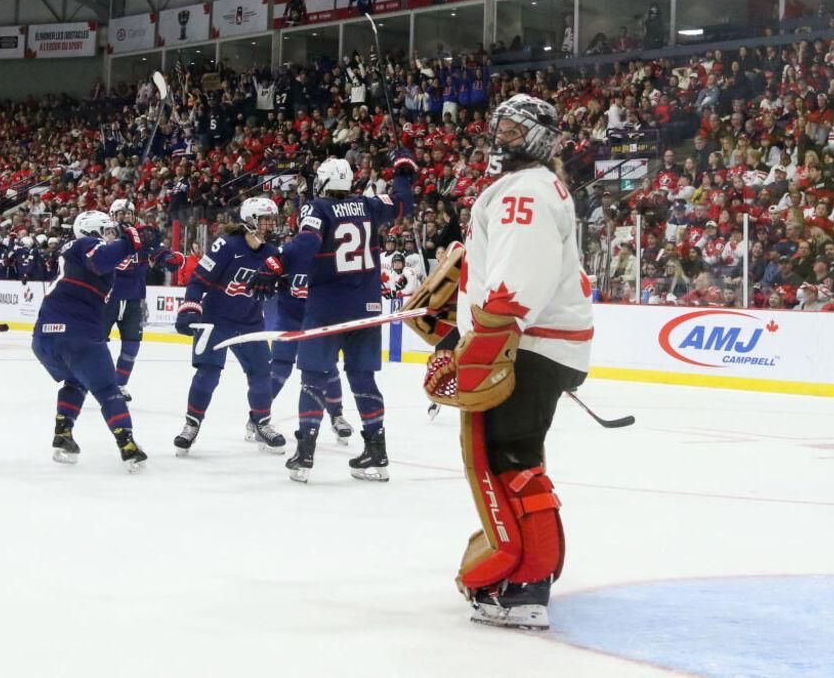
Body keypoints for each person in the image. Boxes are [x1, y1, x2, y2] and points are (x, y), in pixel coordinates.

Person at [418, 94, 593, 629]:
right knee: (515, 460)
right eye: (499, 127)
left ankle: (526, 587)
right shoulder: (527, 187)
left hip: (529, 346)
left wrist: (474, 346)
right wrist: (457, 329)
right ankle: (528, 578)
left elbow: (518, 286)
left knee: (513, 463)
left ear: (540, 137)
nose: (502, 137)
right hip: (534, 344)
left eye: (515, 130)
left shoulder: (527, 192)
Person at [251, 157, 399, 483]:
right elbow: (403, 203)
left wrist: (276, 263)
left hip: (327, 308)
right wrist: (403, 173)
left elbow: (306, 243)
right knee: (363, 380)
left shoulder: (317, 208)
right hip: (367, 307)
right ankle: (377, 451)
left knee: (313, 378)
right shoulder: (370, 205)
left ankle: (304, 454)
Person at [31, 211, 148, 472]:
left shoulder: (73, 251)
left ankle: (62, 435)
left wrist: (131, 241)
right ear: (93, 231)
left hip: (44, 338)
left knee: (74, 380)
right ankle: (127, 446)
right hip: (77, 335)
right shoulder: (87, 245)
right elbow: (104, 257)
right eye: (105, 230)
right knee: (108, 390)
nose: (109, 235)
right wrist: (129, 238)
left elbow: (109, 261)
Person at [172, 197, 287, 456]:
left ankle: (262, 423)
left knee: (261, 375)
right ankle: (191, 425)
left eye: (273, 219)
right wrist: (190, 307)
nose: (272, 225)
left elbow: (283, 286)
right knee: (207, 374)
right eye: (266, 219)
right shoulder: (227, 245)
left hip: (250, 322)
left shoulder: (272, 253)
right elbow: (199, 280)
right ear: (250, 221)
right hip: (216, 320)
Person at [268, 240, 355, 445]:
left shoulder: (333, 254)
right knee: (280, 367)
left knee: (327, 367)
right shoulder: (290, 250)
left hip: (318, 320)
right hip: (289, 319)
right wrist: (270, 273)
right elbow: (268, 268)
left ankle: (336, 416)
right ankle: (258, 416)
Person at [102, 199, 184, 401]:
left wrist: (169, 258)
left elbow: (158, 252)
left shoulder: (144, 235)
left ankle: (119, 384)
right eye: (122, 213)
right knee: (94, 343)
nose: (126, 217)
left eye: (129, 213)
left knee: (132, 346)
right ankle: (91, 382)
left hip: (134, 298)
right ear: (113, 216)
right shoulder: (102, 236)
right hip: (105, 299)